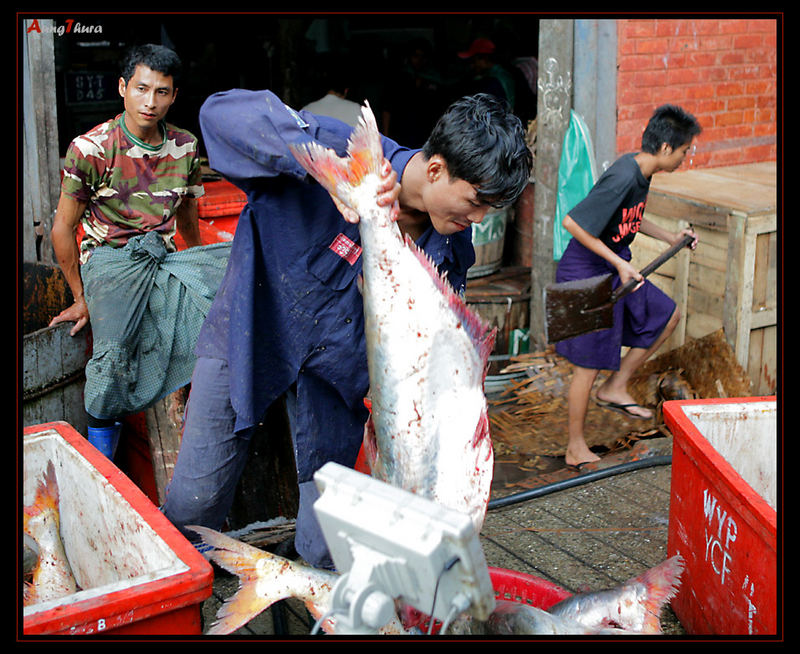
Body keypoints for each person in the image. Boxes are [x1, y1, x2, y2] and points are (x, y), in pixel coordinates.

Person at [161, 91, 532, 568]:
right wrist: (316, 167)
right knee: (194, 504)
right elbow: (217, 114)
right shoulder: (343, 151)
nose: (477, 219)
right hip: (252, 334)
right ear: (436, 169)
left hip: (337, 382)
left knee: (328, 546)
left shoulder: (451, 251)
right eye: (476, 202)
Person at [48, 44, 230, 459]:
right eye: (141, 89)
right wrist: (81, 297)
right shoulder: (91, 148)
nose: (150, 102)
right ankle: (104, 469)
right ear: (122, 88)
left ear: (174, 96)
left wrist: (197, 266)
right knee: (111, 361)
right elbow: (63, 228)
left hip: (162, 257)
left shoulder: (184, 146)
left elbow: (187, 213)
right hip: (110, 261)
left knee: (238, 268)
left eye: (162, 92)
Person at [555, 104, 702, 468]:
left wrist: (671, 237)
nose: (686, 157)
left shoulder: (641, 173)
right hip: (583, 272)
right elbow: (572, 223)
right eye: (685, 150)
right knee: (585, 367)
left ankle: (616, 386)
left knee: (667, 315)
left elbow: (629, 217)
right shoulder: (623, 174)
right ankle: (575, 447)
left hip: (611, 265)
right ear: (666, 148)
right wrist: (622, 263)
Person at [458, 37, 516, 113]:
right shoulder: (492, 75)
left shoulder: (497, 79)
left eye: (473, 61)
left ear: (484, 59)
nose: (472, 66)